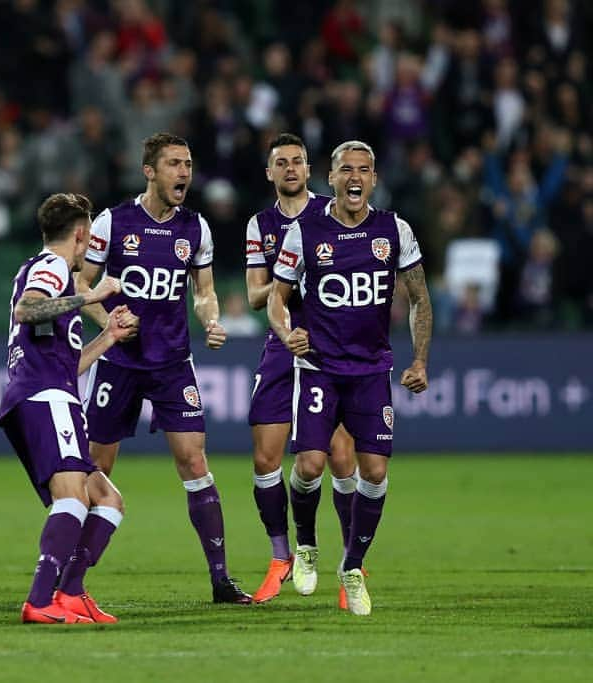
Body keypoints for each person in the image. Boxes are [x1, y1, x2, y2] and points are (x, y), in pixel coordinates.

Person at [76, 133, 252, 604]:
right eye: (174, 163)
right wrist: (107, 321)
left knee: (195, 461)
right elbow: (81, 281)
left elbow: (204, 290)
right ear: (149, 171)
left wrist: (211, 319)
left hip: (173, 362)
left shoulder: (196, 228)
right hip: (119, 362)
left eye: (189, 164)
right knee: (96, 468)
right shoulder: (114, 222)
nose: (184, 173)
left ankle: (220, 579)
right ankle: (71, 580)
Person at [268, 141, 433, 616]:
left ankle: (353, 567)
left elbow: (419, 296)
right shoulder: (304, 232)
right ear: (332, 178)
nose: (355, 177)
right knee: (311, 466)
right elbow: (277, 299)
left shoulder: (393, 229)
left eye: (364, 169)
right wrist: (286, 332)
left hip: (370, 370)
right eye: (346, 170)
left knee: (375, 471)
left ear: (374, 179)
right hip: (319, 366)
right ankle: (306, 545)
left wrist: (419, 359)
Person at [0, 193, 137, 624]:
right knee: (73, 498)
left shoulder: (46, 271)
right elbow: (28, 309)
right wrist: (91, 295)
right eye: (89, 234)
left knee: (107, 500)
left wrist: (108, 336)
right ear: (80, 234)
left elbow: (68, 362)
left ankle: (71, 591)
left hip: (54, 391)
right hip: (43, 397)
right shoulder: (52, 267)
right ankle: (40, 600)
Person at [244, 133, 357, 605]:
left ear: (309, 170)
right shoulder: (260, 223)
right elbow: (254, 295)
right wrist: (288, 279)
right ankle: (280, 556)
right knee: (266, 459)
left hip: (330, 352)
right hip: (280, 345)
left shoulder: (332, 213)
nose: (290, 168)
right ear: (269, 173)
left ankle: (353, 563)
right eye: (281, 163)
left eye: (297, 161)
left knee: (341, 457)